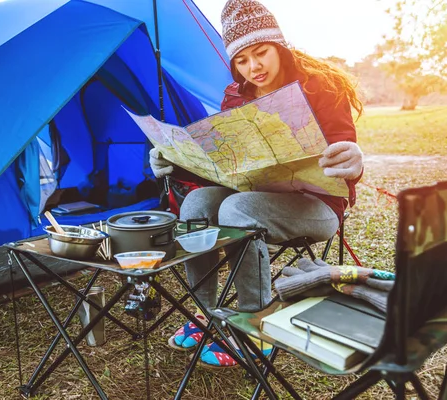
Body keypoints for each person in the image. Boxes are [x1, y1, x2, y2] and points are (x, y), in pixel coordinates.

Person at [149, 0, 364, 368]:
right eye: (242, 60)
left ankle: (256, 325)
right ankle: (207, 315)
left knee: (236, 208)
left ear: (278, 45)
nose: (254, 67)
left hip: (316, 206)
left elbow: (345, 155)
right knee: (196, 205)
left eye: (261, 53)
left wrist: (354, 160)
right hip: (255, 194)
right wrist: (172, 162)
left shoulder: (321, 87)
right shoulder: (235, 95)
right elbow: (225, 166)